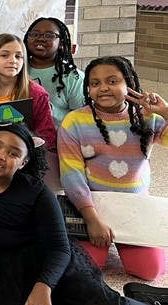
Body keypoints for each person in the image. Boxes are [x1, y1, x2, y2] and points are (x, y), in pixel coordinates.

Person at [0, 123, 144, 305]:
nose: (1, 155)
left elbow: (60, 247)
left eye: (13, 154)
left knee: (101, 302)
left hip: (44, 259)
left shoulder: (36, 191)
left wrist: (44, 285)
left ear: (23, 162)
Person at [58, 56, 168, 281]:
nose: (103, 88)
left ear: (128, 83)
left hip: (135, 204)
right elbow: (72, 175)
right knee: (87, 267)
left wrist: (165, 112)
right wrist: (92, 219)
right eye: (95, 83)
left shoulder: (147, 117)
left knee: (150, 271)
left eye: (112, 81)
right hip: (92, 204)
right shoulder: (74, 122)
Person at [0, 34, 57, 188]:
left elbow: (47, 135)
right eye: (4, 55)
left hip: (21, 165)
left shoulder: (36, 94)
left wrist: (31, 142)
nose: (13, 61)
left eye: (18, 56)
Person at [24, 17, 85, 128]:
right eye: (34, 34)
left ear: (61, 43)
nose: (40, 39)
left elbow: (81, 117)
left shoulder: (73, 77)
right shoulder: (17, 69)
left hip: (60, 140)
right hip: (21, 140)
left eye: (49, 35)